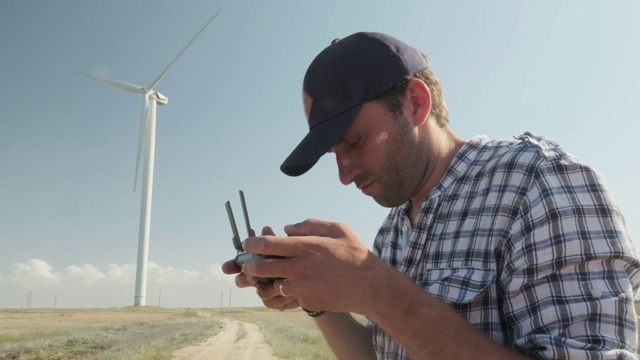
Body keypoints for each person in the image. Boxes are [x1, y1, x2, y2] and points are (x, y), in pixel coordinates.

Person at [222, 32, 640, 359]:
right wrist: (319, 300)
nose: (344, 175)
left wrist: (375, 287)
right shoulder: (393, 231)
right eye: (334, 154)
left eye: (354, 141)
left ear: (416, 104)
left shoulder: (540, 183)